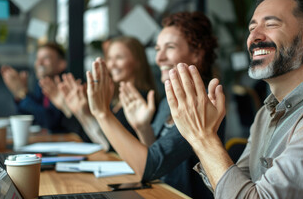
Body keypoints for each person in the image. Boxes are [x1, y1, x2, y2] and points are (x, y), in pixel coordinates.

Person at [165, 0, 303, 198]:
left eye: (270, 24)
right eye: (252, 28)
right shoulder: (265, 114)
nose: (254, 37)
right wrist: (203, 137)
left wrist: (203, 137)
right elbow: (236, 188)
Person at [86, 11, 224, 198]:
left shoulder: (204, 102)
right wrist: (143, 128)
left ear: (197, 54)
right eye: (158, 49)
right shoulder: (170, 99)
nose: (159, 58)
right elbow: (159, 162)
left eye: (170, 47)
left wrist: (103, 114)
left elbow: (150, 167)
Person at [0, 42, 79, 133]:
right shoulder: (41, 85)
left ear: (61, 64)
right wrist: (20, 95)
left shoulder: (66, 86)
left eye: (46, 58)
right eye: (37, 58)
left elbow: (51, 122)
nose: (39, 63)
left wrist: (23, 94)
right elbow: (32, 116)